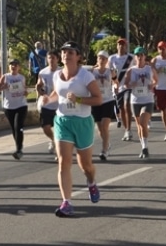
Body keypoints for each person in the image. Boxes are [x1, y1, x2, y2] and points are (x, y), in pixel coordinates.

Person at [41, 41, 102, 217]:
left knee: (86, 165)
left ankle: (91, 182)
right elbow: (57, 94)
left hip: (82, 122)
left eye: (70, 52)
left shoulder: (85, 77)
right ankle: (66, 202)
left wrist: (79, 100)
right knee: (64, 161)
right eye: (64, 51)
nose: (66, 55)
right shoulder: (57, 75)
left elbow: (98, 99)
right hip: (62, 121)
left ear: (78, 56)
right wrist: (47, 100)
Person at [124, 47, 157, 159]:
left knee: (143, 122)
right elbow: (125, 84)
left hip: (148, 100)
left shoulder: (149, 69)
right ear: (135, 57)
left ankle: (145, 147)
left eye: (142, 54)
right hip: (135, 100)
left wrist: (152, 85)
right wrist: (130, 84)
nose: (140, 56)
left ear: (144, 56)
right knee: (139, 126)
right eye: (138, 55)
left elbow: (156, 80)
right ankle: (143, 147)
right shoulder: (131, 70)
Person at [0, 59, 28, 159]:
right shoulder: (5, 77)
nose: (13, 67)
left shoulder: (22, 77)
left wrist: (26, 93)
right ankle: (19, 146)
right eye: (11, 65)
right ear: (9, 67)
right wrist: (3, 87)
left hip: (21, 105)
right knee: (14, 128)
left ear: (19, 67)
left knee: (18, 126)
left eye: (15, 65)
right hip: (9, 106)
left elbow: (25, 89)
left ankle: (18, 149)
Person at [91, 50, 116, 161]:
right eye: (99, 58)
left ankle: (104, 150)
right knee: (100, 129)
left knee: (105, 125)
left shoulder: (110, 72)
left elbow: (116, 82)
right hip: (96, 101)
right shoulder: (92, 72)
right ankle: (107, 143)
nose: (101, 60)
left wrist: (116, 86)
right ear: (97, 59)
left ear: (107, 61)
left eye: (104, 58)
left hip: (108, 100)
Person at [108, 38, 134, 141]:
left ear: (126, 46)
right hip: (117, 86)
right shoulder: (112, 58)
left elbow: (137, 68)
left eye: (123, 44)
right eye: (119, 44)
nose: (121, 46)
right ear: (116, 46)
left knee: (127, 105)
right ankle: (126, 130)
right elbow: (109, 72)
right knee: (121, 109)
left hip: (128, 86)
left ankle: (129, 128)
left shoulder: (131, 58)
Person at [36, 49, 60, 157]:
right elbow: (39, 85)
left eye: (53, 58)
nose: (51, 60)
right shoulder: (43, 72)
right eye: (49, 58)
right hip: (46, 104)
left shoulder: (61, 72)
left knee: (58, 128)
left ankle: (59, 149)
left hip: (59, 105)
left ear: (57, 59)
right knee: (46, 127)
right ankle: (53, 139)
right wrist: (39, 89)